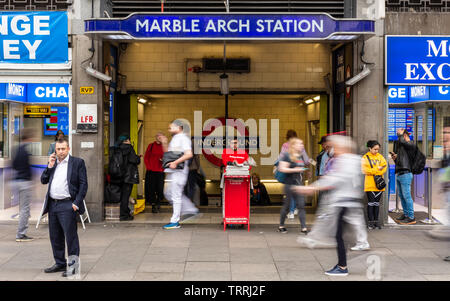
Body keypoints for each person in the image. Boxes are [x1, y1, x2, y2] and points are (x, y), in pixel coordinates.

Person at [295, 135, 364, 276]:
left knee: (340, 235)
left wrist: (312, 188)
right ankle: (344, 261)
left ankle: (342, 266)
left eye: (335, 147)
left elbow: (335, 179)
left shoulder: (345, 161)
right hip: (349, 201)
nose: (333, 150)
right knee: (342, 234)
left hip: (344, 202)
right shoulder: (355, 160)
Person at [40, 137, 88, 277]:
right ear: (55, 150)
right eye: (58, 149)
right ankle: (60, 263)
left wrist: (76, 203)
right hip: (53, 204)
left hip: (68, 205)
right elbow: (43, 180)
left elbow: (83, 184)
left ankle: (73, 267)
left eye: (63, 149)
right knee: (55, 236)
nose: (60, 152)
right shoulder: (53, 163)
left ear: (68, 149)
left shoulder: (77, 163)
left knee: (71, 237)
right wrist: (49, 166)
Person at [162, 120, 200, 229]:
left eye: (171, 127)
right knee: (169, 193)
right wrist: (164, 142)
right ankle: (190, 210)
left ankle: (175, 221)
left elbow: (189, 154)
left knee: (175, 195)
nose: (169, 129)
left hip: (179, 172)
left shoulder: (184, 138)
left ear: (179, 127)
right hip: (173, 171)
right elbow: (168, 155)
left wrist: (175, 162)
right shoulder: (175, 138)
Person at [277, 137, 308, 234]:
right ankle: (281, 225)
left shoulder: (300, 156)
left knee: (301, 205)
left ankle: (304, 228)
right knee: (286, 206)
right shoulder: (287, 155)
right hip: (289, 184)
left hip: (299, 184)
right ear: (293, 145)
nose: (302, 146)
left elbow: (302, 168)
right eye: (300, 144)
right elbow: (282, 168)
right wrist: (295, 170)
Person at [279, 130, 311, 219]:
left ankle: (291, 211)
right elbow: (306, 160)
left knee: (289, 192)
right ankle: (295, 208)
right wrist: (308, 170)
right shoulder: (300, 147)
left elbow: (280, 158)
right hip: (298, 173)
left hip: (288, 172)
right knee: (297, 191)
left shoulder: (285, 146)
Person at [12, 128, 34, 242]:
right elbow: (28, 168)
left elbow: (14, 165)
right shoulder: (25, 152)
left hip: (17, 181)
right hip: (25, 182)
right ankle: (21, 234)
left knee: (23, 207)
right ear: (28, 138)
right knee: (25, 209)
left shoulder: (17, 149)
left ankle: (21, 232)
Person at [391, 128, 417, 225]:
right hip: (400, 173)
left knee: (407, 196)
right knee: (402, 196)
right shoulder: (403, 148)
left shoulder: (411, 144)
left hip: (406, 174)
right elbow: (400, 162)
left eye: (401, 135)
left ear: (405, 136)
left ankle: (411, 216)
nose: (399, 139)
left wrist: (400, 134)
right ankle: (406, 215)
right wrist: (395, 158)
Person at [362, 140, 387, 230]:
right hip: (370, 185)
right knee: (371, 203)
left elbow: (384, 168)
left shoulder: (380, 157)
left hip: (379, 184)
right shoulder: (365, 157)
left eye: (377, 149)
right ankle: (370, 223)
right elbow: (364, 170)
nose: (376, 151)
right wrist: (377, 169)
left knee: (376, 204)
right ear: (370, 148)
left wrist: (373, 171)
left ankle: (376, 222)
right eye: (375, 149)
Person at [116, 134, 140, 221]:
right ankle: (123, 215)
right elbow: (134, 160)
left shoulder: (117, 148)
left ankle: (125, 212)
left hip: (119, 175)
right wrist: (138, 158)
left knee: (123, 195)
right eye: (129, 140)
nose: (130, 141)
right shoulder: (129, 148)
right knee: (126, 196)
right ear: (126, 140)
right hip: (128, 176)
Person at [144, 132, 166, 213]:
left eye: (161, 136)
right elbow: (146, 157)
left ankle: (158, 202)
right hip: (151, 171)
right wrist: (148, 167)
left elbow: (167, 158)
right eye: (158, 136)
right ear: (156, 137)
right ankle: (153, 205)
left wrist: (163, 160)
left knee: (160, 188)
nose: (160, 138)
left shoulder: (164, 147)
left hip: (160, 171)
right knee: (151, 189)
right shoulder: (151, 146)